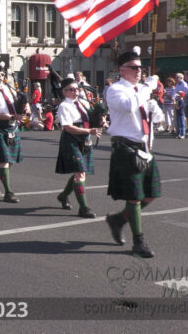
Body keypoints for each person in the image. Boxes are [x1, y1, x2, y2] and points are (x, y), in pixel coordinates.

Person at [104, 47, 164, 258]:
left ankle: (119, 219)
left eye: (141, 67)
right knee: (135, 198)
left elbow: (158, 120)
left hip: (145, 148)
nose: (140, 71)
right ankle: (139, 242)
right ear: (122, 70)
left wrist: (155, 107)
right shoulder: (116, 90)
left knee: (151, 195)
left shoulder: (140, 90)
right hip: (127, 147)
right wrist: (147, 88)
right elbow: (129, 107)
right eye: (135, 67)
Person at [55, 78, 102, 218]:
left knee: (81, 172)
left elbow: (88, 120)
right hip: (71, 139)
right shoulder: (64, 106)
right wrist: (89, 131)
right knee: (80, 173)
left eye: (77, 89)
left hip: (84, 139)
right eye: (71, 89)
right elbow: (68, 127)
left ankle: (63, 196)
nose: (75, 91)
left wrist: (99, 120)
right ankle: (84, 208)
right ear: (64, 92)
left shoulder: (82, 103)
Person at [0, 63, 26, 203]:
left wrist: (22, 111)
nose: (0, 77)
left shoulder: (9, 89)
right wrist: (12, 117)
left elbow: (16, 105)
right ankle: (8, 192)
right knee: (5, 161)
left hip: (13, 127)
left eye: (2, 75)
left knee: (11, 161)